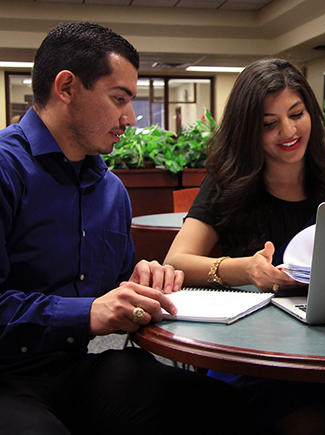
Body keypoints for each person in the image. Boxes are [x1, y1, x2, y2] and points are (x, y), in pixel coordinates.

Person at [0, 21, 253, 435]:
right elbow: (93, 309)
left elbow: (114, 287)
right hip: (7, 377)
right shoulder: (6, 170)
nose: (131, 118)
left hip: (77, 368)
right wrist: (90, 311)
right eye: (120, 98)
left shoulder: (110, 190)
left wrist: (140, 281)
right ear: (66, 88)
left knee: (224, 408)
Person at [164, 57, 325, 434]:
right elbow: (176, 260)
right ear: (249, 131)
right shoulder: (228, 183)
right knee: (306, 420)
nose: (289, 130)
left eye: (297, 114)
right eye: (269, 124)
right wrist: (243, 268)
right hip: (261, 356)